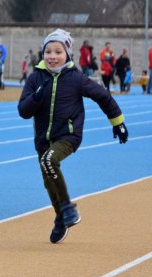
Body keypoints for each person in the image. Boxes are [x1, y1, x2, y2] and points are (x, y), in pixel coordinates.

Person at [18, 29, 128, 244]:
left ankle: (68, 208)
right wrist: (36, 97)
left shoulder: (76, 78)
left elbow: (103, 97)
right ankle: (61, 217)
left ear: (67, 54)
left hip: (68, 135)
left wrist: (118, 123)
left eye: (58, 51)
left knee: (50, 160)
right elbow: (23, 111)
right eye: (48, 51)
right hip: (43, 139)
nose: (52, 56)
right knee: (49, 180)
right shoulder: (35, 78)